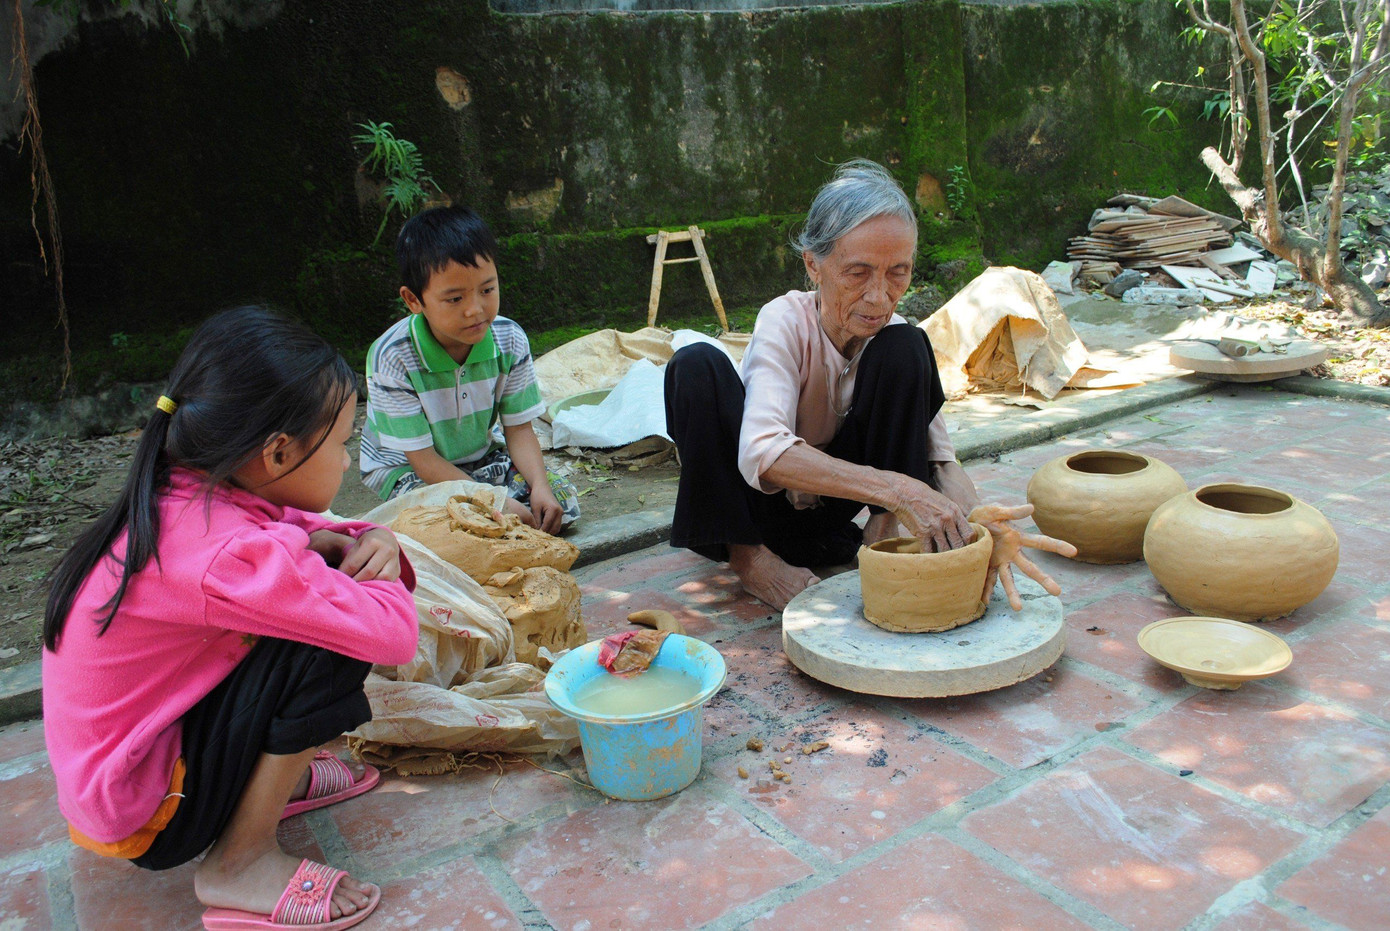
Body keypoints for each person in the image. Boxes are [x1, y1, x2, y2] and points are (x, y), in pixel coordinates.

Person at [42, 307, 420, 930]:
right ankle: (239, 863)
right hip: (148, 814)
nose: (348, 463)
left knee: (314, 607)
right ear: (276, 454)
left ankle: (267, 785)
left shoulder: (184, 490)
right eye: (343, 444)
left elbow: (290, 528)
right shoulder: (224, 556)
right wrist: (382, 561)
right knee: (332, 640)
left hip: (118, 777)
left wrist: (355, 535)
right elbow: (392, 635)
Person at [664, 159, 1076, 611]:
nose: (879, 296)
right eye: (858, 273)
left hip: (833, 521)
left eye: (898, 272)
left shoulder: (894, 336)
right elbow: (763, 451)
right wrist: (899, 491)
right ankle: (752, 563)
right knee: (694, 365)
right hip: (754, 515)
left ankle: (882, 539)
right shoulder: (784, 320)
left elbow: (939, 463)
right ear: (814, 265)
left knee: (907, 343)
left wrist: (975, 528)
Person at [359, 205, 579, 533]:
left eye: (487, 290)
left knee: (560, 503)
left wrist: (541, 486)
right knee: (447, 528)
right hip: (411, 470)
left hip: (481, 460)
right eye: (454, 299)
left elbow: (518, 430)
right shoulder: (392, 357)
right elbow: (423, 460)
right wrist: (494, 501)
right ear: (413, 300)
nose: (475, 310)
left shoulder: (509, 339)